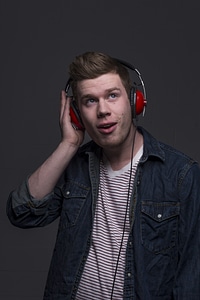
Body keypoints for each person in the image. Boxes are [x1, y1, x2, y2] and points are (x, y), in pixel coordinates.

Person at [7, 51, 200, 300]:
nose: (103, 111)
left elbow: (191, 279)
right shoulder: (74, 165)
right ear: (76, 113)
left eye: (112, 95)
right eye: (89, 101)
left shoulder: (182, 175)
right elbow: (22, 213)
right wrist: (68, 144)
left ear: (135, 101)